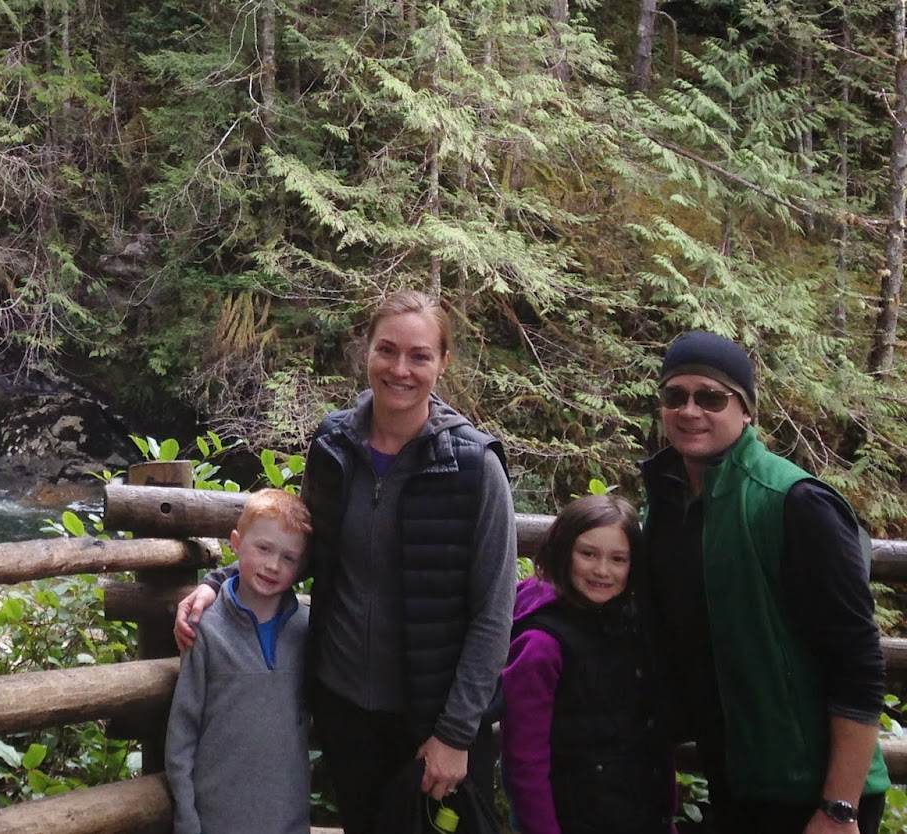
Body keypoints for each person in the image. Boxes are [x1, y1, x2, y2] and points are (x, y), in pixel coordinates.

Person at [173, 290, 517, 834]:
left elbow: (494, 611)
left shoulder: (474, 466)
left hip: (434, 720)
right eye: (387, 350)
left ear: (443, 363)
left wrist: (455, 733)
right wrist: (220, 581)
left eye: (420, 356)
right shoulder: (334, 444)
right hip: (345, 708)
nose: (400, 369)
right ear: (367, 351)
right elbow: (301, 545)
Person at [642, 330, 888, 834]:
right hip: (736, 779)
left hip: (815, 793)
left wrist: (839, 806)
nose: (689, 410)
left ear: (747, 411)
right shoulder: (667, 504)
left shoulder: (795, 503)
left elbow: (858, 661)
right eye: (675, 395)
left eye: (711, 397)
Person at [500, 493, 675, 834]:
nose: (602, 570)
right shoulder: (541, 645)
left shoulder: (634, 627)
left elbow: (654, 737)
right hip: (571, 818)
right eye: (588, 554)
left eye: (618, 559)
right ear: (564, 551)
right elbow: (525, 759)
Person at [165, 488, 313, 834]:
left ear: (302, 565)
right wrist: (187, 820)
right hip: (217, 819)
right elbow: (182, 735)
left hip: (288, 817)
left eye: (289, 557)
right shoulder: (206, 631)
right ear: (236, 543)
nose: (273, 565)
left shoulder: (306, 631)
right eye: (264, 548)